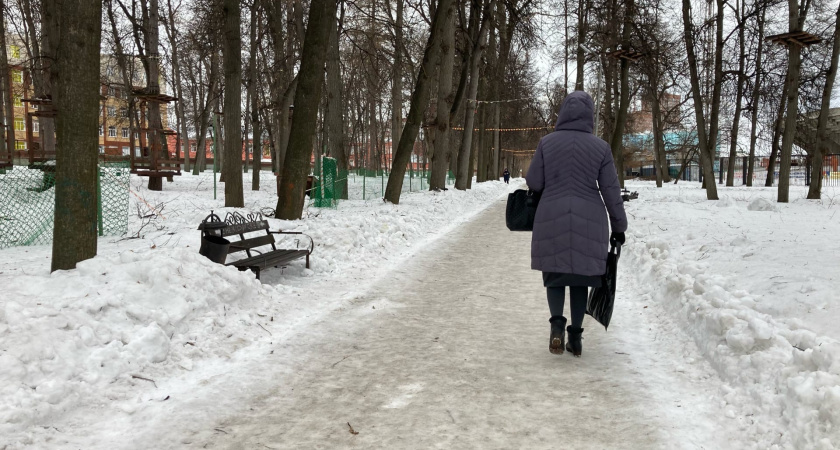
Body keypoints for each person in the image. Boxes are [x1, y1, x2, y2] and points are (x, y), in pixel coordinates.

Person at [525, 91, 627, 357]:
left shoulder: (547, 143)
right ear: (590, 115)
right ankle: (576, 338)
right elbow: (611, 191)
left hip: (551, 215)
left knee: (555, 276)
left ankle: (557, 327)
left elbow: (534, 181)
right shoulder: (601, 147)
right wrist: (619, 227)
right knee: (581, 279)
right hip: (590, 219)